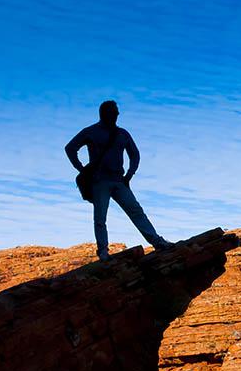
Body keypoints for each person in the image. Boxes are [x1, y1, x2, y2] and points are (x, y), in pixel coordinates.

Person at [65, 100, 172, 261]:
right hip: (100, 181)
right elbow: (70, 148)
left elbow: (134, 154)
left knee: (136, 211)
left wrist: (129, 174)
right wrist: (81, 169)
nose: (117, 114)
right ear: (104, 113)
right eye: (114, 112)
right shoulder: (91, 132)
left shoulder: (122, 134)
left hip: (119, 181)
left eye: (116, 112)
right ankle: (103, 251)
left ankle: (156, 241)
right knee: (100, 218)